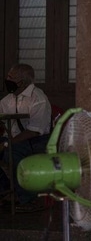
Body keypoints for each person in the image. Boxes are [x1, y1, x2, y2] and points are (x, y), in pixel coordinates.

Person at [0, 64, 51, 212]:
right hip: (14, 140)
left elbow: (34, 131)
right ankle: (6, 191)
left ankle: (29, 200)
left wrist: (7, 145)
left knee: (12, 154)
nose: (7, 80)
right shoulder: (9, 99)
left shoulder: (38, 98)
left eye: (11, 78)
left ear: (22, 82)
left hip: (36, 141)